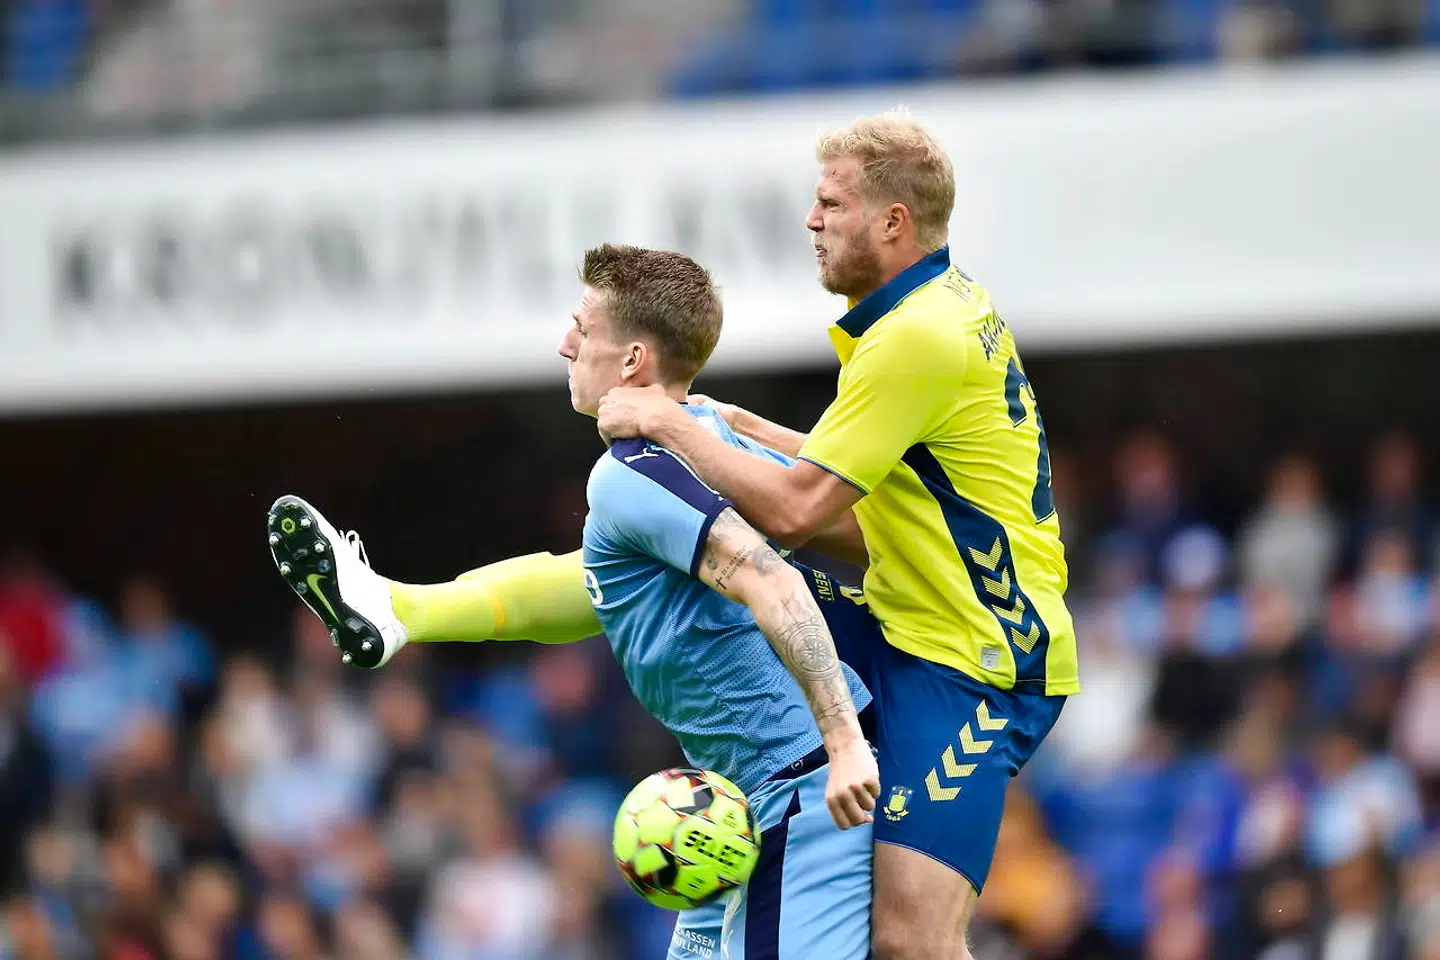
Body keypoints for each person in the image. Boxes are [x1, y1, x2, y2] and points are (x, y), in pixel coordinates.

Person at [267, 244, 880, 960]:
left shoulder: (630, 473)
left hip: (806, 788)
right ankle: (402, 608)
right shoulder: (711, 438)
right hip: (752, 796)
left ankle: (402, 609)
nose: (566, 344)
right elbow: (590, 587)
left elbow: (774, 581)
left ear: (632, 360)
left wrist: (844, 745)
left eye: (583, 330)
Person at [593, 112, 1077, 960]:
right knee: (693, 581)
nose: (811, 221)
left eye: (831, 204)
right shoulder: (927, 307)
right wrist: (742, 426)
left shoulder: (914, 339)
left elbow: (798, 511)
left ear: (893, 221)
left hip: (977, 661)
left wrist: (667, 422)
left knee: (912, 942)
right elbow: (873, 509)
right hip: (908, 614)